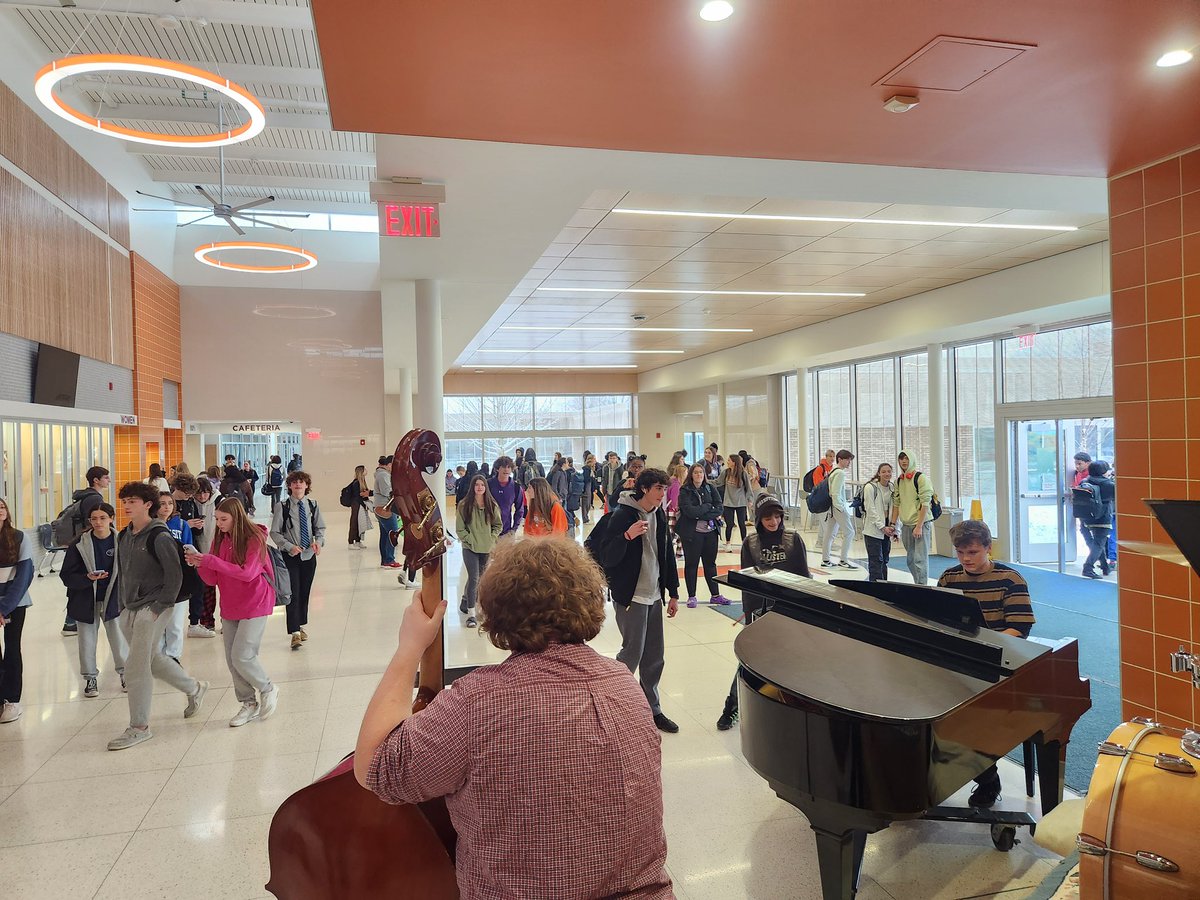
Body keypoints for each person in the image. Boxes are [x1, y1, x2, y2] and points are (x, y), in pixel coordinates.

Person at [354, 539, 672, 900]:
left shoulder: (479, 700)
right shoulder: (623, 684)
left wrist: (409, 647)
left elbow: (375, 769)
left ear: (496, 610)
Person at [936, 520, 1035, 807]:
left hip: (999, 663)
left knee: (969, 719)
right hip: (961, 660)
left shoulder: (1010, 579)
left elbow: (1019, 628)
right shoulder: (950, 577)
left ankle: (988, 780)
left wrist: (982, 646)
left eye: (973, 552)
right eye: (961, 553)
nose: (966, 559)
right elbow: (939, 618)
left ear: (989, 549)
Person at [108, 482, 208, 751]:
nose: (127, 505)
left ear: (147, 504)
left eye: (133, 501)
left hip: (154, 607)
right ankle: (195, 688)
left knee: (136, 665)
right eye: (125, 501)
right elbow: (123, 573)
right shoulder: (124, 535)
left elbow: (174, 576)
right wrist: (121, 605)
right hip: (130, 606)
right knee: (151, 659)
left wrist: (157, 608)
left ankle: (139, 726)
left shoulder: (159, 536)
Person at [596, 468, 680, 733]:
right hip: (631, 595)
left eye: (664, 489)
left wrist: (673, 591)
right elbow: (607, 556)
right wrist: (627, 536)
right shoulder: (622, 516)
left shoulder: (660, 515)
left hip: (654, 595)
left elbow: (665, 554)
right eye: (658, 489)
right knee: (632, 653)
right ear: (644, 488)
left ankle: (651, 709)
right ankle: (612, 703)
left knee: (655, 656)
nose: (662, 494)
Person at [717, 493, 811, 731]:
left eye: (777, 516)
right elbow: (747, 583)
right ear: (759, 518)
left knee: (793, 663)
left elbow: (805, 578)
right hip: (760, 613)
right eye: (768, 516)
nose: (773, 521)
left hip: (790, 613)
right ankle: (732, 707)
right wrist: (750, 617)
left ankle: (791, 708)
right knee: (749, 663)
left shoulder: (794, 539)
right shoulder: (750, 543)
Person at [188, 498, 280, 727]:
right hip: (230, 604)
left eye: (223, 519)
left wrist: (211, 561)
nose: (219, 524)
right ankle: (248, 703)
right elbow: (212, 579)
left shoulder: (254, 538)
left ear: (236, 517)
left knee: (243, 655)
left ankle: (268, 687)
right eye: (216, 519)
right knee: (232, 659)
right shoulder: (219, 540)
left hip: (256, 601)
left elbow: (248, 573)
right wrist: (200, 564)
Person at [60, 502, 127, 698]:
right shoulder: (79, 544)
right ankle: (90, 678)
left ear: (111, 519)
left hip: (113, 598)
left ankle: (125, 674)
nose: (98, 522)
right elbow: (66, 576)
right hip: (85, 599)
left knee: (118, 638)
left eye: (103, 518)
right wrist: (86, 579)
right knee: (87, 641)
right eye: (94, 519)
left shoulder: (121, 541)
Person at [271, 471, 326, 650]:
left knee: (304, 592)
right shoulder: (283, 506)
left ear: (307, 485)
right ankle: (294, 631)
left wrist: (318, 542)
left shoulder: (313, 505)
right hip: (291, 556)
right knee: (292, 592)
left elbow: (320, 527)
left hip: (308, 556)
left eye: (301, 482)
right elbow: (275, 532)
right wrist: (288, 546)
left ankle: (300, 624)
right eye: (294, 482)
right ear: (289, 486)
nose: (298, 485)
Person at [61, 465, 111, 635]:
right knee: (83, 582)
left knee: (81, 580)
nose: (108, 480)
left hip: (82, 543)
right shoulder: (94, 500)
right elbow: (93, 524)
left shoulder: (86, 496)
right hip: (86, 546)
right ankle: (70, 621)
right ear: (96, 480)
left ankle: (70, 621)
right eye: (105, 477)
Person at [0, 497, 34, 724]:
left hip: (15, 603)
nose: (0, 511)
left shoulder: (19, 537)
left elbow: (24, 577)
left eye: (2, 507)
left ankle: (12, 700)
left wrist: (4, 608)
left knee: (12, 649)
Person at [676, 462, 727, 608]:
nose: (699, 475)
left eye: (701, 472)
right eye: (696, 472)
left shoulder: (710, 488)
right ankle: (692, 596)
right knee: (692, 565)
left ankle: (715, 595)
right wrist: (706, 507)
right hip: (693, 534)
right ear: (691, 475)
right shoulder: (685, 490)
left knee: (710, 564)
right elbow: (689, 512)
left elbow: (719, 508)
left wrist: (701, 513)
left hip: (710, 533)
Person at [456, 474, 502, 629]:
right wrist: (469, 539)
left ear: (485, 487)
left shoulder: (492, 505)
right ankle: (471, 614)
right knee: (475, 578)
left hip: (486, 547)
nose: (480, 487)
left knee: (480, 578)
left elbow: (498, 525)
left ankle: (465, 601)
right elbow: (460, 529)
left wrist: (492, 538)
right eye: (477, 485)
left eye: (482, 484)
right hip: (469, 548)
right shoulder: (464, 505)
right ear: (472, 487)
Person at [170, 474, 213, 639]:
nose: (189, 497)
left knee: (198, 586)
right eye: (187, 493)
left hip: (190, 547)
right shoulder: (169, 503)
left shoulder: (190, 503)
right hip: (173, 550)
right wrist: (186, 525)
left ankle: (195, 622)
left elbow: (195, 532)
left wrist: (197, 526)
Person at [891, 449, 935, 585]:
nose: (904, 461)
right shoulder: (899, 481)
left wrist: (919, 526)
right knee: (910, 560)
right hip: (906, 524)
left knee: (920, 559)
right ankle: (918, 584)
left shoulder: (921, 478)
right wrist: (893, 525)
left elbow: (925, 504)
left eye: (906, 458)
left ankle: (922, 588)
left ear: (912, 460)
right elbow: (896, 504)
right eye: (901, 458)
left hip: (921, 523)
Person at [1079, 460, 1117, 578]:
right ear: (1104, 471)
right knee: (1099, 543)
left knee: (1096, 543)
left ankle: (1105, 566)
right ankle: (1088, 567)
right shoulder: (1109, 484)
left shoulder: (1084, 482)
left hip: (1087, 517)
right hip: (1103, 518)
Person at [821, 450, 857, 569]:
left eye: (850, 460)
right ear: (840, 459)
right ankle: (844, 559)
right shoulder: (840, 473)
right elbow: (835, 493)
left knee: (829, 534)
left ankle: (825, 560)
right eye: (847, 460)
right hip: (837, 507)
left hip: (832, 507)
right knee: (850, 532)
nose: (849, 463)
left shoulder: (833, 471)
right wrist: (842, 508)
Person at [862, 462, 897, 582]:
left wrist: (894, 527)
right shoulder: (870, 487)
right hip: (873, 531)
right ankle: (875, 589)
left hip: (888, 530)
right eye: (883, 472)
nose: (887, 474)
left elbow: (896, 508)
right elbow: (870, 509)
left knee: (885, 561)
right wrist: (882, 527)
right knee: (876, 562)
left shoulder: (892, 487)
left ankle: (884, 587)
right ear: (878, 473)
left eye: (889, 471)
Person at [193, 477, 220, 633]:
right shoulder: (192, 504)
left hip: (218, 553)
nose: (202, 497)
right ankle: (207, 621)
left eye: (205, 493)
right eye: (199, 493)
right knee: (206, 589)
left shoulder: (220, 501)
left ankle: (227, 619)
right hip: (200, 554)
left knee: (225, 588)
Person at [374, 455, 402, 569]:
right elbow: (387, 492)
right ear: (389, 464)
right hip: (386, 509)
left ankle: (385, 560)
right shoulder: (383, 475)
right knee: (393, 534)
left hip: (382, 508)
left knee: (385, 535)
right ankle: (389, 560)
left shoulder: (382, 475)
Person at [721, 454, 753, 552]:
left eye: (729, 460)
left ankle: (744, 544)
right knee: (729, 524)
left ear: (734, 462)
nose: (727, 462)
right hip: (728, 503)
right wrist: (705, 481)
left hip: (741, 503)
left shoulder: (743, 474)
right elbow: (718, 482)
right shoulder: (726, 472)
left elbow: (748, 488)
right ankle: (728, 543)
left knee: (741, 524)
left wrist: (750, 500)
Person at [487, 456, 525, 537]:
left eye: (509, 467)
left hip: (506, 531)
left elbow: (520, 510)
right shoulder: (488, 484)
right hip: (487, 531)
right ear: (497, 469)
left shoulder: (516, 487)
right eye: (503, 467)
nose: (506, 469)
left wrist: (514, 529)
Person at [810, 449, 836, 552]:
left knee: (823, 522)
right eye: (830, 456)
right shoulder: (820, 469)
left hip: (827, 498)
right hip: (821, 499)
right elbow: (818, 484)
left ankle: (820, 542)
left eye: (833, 456)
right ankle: (829, 543)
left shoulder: (831, 469)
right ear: (826, 457)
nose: (832, 459)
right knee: (826, 522)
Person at [347, 464, 374, 547]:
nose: (366, 470)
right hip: (357, 505)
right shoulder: (356, 483)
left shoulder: (362, 482)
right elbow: (357, 497)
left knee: (361, 523)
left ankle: (358, 541)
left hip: (361, 505)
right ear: (361, 472)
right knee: (354, 523)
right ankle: (351, 542)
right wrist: (365, 505)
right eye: (365, 469)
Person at [664, 463, 685, 560]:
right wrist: (677, 508)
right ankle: (677, 553)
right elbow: (674, 499)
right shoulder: (676, 484)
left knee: (673, 532)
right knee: (675, 532)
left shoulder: (671, 482)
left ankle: (679, 552)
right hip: (673, 511)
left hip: (668, 510)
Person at [579, 455, 598, 523]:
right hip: (586, 487)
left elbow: (593, 480)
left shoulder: (591, 469)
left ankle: (586, 517)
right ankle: (585, 518)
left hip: (589, 488)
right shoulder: (586, 469)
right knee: (585, 504)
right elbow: (587, 479)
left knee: (588, 503)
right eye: (594, 460)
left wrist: (594, 488)